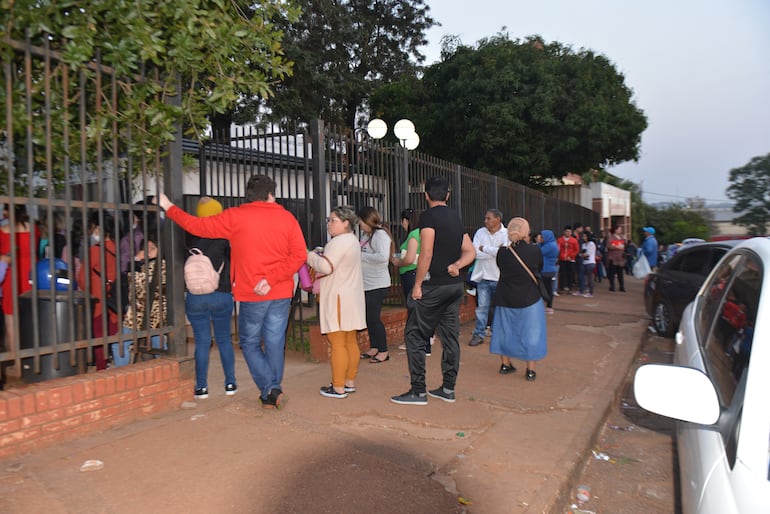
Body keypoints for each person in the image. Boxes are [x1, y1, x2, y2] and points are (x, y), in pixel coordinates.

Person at [156, 175, 306, 410]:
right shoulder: (287, 217)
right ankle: (271, 392)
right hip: (280, 290)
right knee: (275, 342)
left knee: (249, 342)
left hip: (252, 293)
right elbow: (299, 255)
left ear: (249, 194)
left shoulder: (236, 216)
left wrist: (168, 207)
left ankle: (271, 389)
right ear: (270, 194)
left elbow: (196, 225)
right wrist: (273, 278)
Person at [391, 176, 475, 405]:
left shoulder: (428, 217)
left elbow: (426, 253)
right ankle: (448, 389)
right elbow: (470, 251)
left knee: (414, 335)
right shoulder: (456, 217)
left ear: (426, 196)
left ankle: (418, 391)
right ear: (447, 195)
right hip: (454, 287)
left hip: (433, 286)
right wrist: (457, 265)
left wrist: (417, 285)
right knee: (450, 338)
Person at [307, 206, 366, 399]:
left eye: (333, 220)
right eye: (329, 220)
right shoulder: (352, 241)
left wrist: (309, 256)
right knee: (349, 340)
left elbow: (325, 266)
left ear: (346, 223)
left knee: (338, 342)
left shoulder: (339, 241)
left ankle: (338, 386)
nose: (329, 224)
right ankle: (349, 381)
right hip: (351, 296)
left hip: (339, 297)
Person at [185, 197, 237, 400]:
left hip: (195, 296)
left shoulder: (188, 236)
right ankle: (230, 383)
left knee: (202, 342)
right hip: (221, 294)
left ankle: (201, 387)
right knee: (224, 340)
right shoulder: (225, 236)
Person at [490, 217, 547, 381]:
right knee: (531, 333)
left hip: (505, 297)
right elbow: (539, 269)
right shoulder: (535, 251)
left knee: (504, 331)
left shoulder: (502, 252)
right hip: (530, 298)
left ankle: (505, 364)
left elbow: (501, 268)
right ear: (526, 232)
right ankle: (530, 371)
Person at [117, 226, 166, 366]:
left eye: (152, 248)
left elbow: (138, 287)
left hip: (143, 313)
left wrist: (135, 261)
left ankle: (121, 375)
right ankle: (165, 371)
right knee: (159, 344)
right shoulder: (157, 265)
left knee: (120, 343)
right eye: (146, 247)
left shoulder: (156, 266)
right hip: (156, 314)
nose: (147, 251)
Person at [79, 211, 119, 370]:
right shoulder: (119, 246)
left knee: (99, 334)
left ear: (98, 228)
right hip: (116, 297)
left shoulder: (95, 250)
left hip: (98, 297)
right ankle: (116, 359)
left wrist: (87, 290)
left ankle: (102, 366)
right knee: (114, 329)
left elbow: (82, 278)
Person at [390, 208, 432, 354]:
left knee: (415, 309)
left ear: (406, 220)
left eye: (402, 220)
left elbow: (409, 259)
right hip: (419, 272)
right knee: (421, 309)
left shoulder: (414, 234)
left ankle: (419, 343)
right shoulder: (423, 232)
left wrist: (398, 262)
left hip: (411, 273)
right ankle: (425, 342)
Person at [0, 204, 37, 369]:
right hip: (30, 275)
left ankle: (16, 361)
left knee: (11, 318)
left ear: (9, 211)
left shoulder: (3, 231)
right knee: (31, 315)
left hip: (11, 276)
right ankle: (32, 354)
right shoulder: (33, 229)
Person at [357, 206, 394, 364]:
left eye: (360, 221)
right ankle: (374, 346)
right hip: (367, 283)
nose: (359, 224)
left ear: (367, 220)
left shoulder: (380, 235)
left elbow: (382, 257)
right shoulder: (367, 235)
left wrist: (362, 255)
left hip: (377, 284)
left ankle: (383, 351)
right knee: (368, 317)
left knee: (373, 317)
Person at [467, 209, 508, 347]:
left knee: (499, 308)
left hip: (499, 277)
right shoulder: (480, 232)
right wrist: (494, 251)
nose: (486, 221)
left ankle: (498, 335)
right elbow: (475, 253)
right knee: (481, 308)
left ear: (498, 219)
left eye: (488, 218)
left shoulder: (506, 234)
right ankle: (479, 334)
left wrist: (484, 248)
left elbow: (504, 254)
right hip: (483, 276)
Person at [538, 229, 558, 314]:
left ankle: (549, 306)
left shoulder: (549, 246)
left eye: (542, 237)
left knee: (546, 289)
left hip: (546, 270)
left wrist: (538, 242)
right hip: (549, 269)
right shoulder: (551, 244)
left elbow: (538, 252)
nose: (541, 239)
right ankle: (548, 305)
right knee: (548, 288)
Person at [557, 225, 578, 292]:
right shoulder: (560, 240)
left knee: (570, 273)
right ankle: (561, 287)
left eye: (569, 232)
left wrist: (571, 256)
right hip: (562, 259)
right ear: (564, 232)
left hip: (570, 259)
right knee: (562, 273)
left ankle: (570, 287)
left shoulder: (574, 240)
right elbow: (558, 249)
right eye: (567, 231)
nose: (568, 233)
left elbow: (576, 250)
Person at [605, 225, 626, 292]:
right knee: (612, 273)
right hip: (613, 257)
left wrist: (625, 241)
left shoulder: (622, 237)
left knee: (620, 273)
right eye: (619, 229)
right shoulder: (611, 237)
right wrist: (616, 247)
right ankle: (612, 286)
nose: (620, 231)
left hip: (620, 258)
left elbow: (625, 245)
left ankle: (621, 286)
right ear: (615, 230)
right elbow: (609, 246)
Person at [578, 231, 597, 297]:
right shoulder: (583, 244)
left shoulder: (591, 244)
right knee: (581, 276)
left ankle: (591, 292)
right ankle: (581, 290)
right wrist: (581, 254)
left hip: (590, 262)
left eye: (585, 236)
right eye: (583, 236)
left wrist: (582, 255)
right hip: (584, 262)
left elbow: (587, 254)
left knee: (589, 278)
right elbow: (582, 253)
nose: (584, 237)